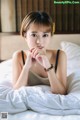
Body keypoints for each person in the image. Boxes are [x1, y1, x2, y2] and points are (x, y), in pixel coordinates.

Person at [12, 11, 67, 94]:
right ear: (25, 35)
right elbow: (16, 91)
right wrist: (26, 67)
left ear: (50, 36)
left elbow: (61, 92)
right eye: (34, 35)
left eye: (45, 35)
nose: (39, 41)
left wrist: (48, 66)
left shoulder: (60, 55)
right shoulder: (19, 56)